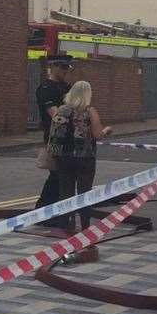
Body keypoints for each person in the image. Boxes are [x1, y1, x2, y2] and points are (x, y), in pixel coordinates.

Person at [49, 79, 110, 249]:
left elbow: (54, 133)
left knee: (65, 191)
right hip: (85, 158)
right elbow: (98, 135)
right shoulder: (89, 111)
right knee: (84, 193)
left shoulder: (61, 110)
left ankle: (64, 225)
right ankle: (84, 227)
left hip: (64, 158)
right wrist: (107, 130)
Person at [34, 56, 73, 220]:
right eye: (63, 67)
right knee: (57, 174)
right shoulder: (46, 88)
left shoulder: (67, 87)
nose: (65, 71)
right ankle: (43, 210)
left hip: (70, 137)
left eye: (67, 68)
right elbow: (56, 115)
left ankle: (57, 211)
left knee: (66, 176)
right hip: (55, 137)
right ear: (53, 67)